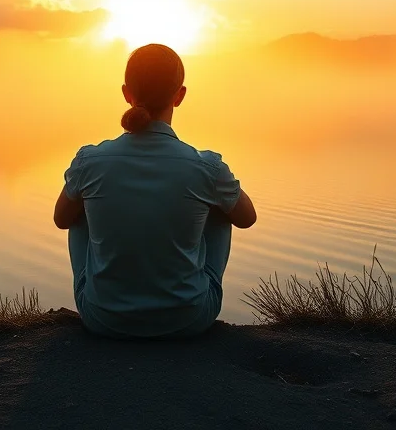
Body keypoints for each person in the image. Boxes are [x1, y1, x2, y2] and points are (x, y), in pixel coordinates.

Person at [53, 43, 257, 339]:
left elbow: (61, 219)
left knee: (79, 204)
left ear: (126, 93)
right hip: (189, 319)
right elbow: (247, 217)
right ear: (179, 95)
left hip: (103, 319)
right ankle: (182, 293)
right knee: (223, 206)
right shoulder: (207, 167)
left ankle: (110, 294)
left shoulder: (90, 161)